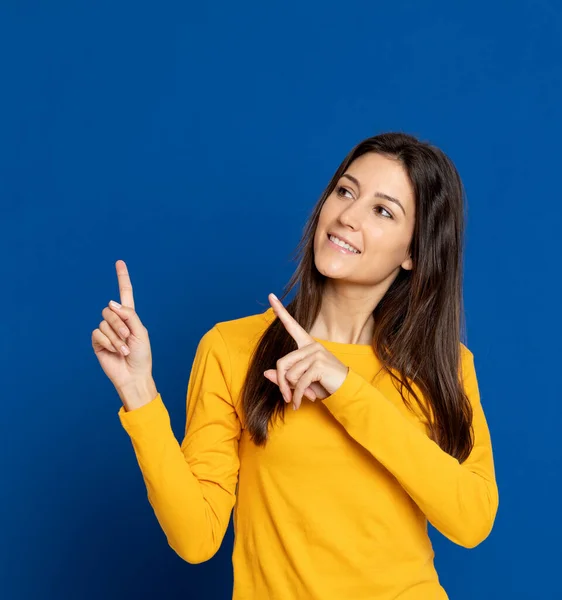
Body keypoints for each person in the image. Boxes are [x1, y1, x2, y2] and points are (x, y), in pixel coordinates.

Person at [92, 132, 499, 599]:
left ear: (414, 252)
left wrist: (347, 390)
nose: (347, 216)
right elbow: (195, 538)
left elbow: (472, 519)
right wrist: (139, 392)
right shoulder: (233, 347)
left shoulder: (442, 365)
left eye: (383, 211)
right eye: (345, 191)